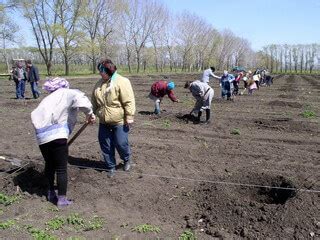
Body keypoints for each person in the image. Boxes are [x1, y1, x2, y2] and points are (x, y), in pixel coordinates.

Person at [31, 77, 95, 207]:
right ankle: (62, 199)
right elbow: (82, 100)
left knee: (49, 165)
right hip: (58, 135)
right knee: (61, 168)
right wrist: (90, 114)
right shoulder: (67, 92)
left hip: (42, 137)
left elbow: (35, 115)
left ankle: (50, 193)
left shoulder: (47, 99)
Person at [92, 58, 135, 178]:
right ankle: (111, 166)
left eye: (102, 71)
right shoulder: (99, 84)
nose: (100, 73)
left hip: (119, 120)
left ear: (109, 70)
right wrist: (92, 113)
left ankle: (126, 159)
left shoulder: (122, 81)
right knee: (105, 144)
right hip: (103, 120)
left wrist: (129, 116)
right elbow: (94, 100)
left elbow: (129, 100)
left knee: (121, 143)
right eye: (99, 71)